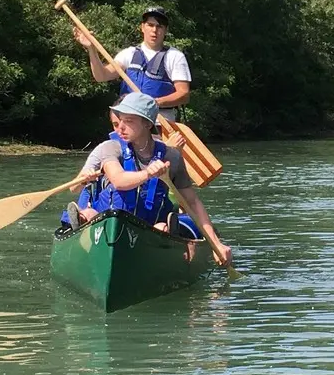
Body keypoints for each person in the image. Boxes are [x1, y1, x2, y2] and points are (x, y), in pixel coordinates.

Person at [62, 92, 232, 267]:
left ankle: (168, 236)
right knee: (92, 214)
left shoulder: (171, 156)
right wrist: (148, 174)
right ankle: (82, 222)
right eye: (119, 120)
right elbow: (119, 180)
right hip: (109, 223)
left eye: (128, 121)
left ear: (147, 124)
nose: (120, 127)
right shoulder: (110, 148)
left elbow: (193, 203)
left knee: (161, 228)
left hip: (147, 228)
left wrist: (216, 244)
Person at [72, 6, 192, 122]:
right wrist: (91, 49)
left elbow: (184, 94)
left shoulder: (175, 56)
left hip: (159, 120)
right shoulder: (129, 53)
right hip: (129, 119)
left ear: (165, 30)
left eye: (159, 26)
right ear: (142, 27)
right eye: (150, 25)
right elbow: (101, 76)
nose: (154, 30)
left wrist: (154, 103)